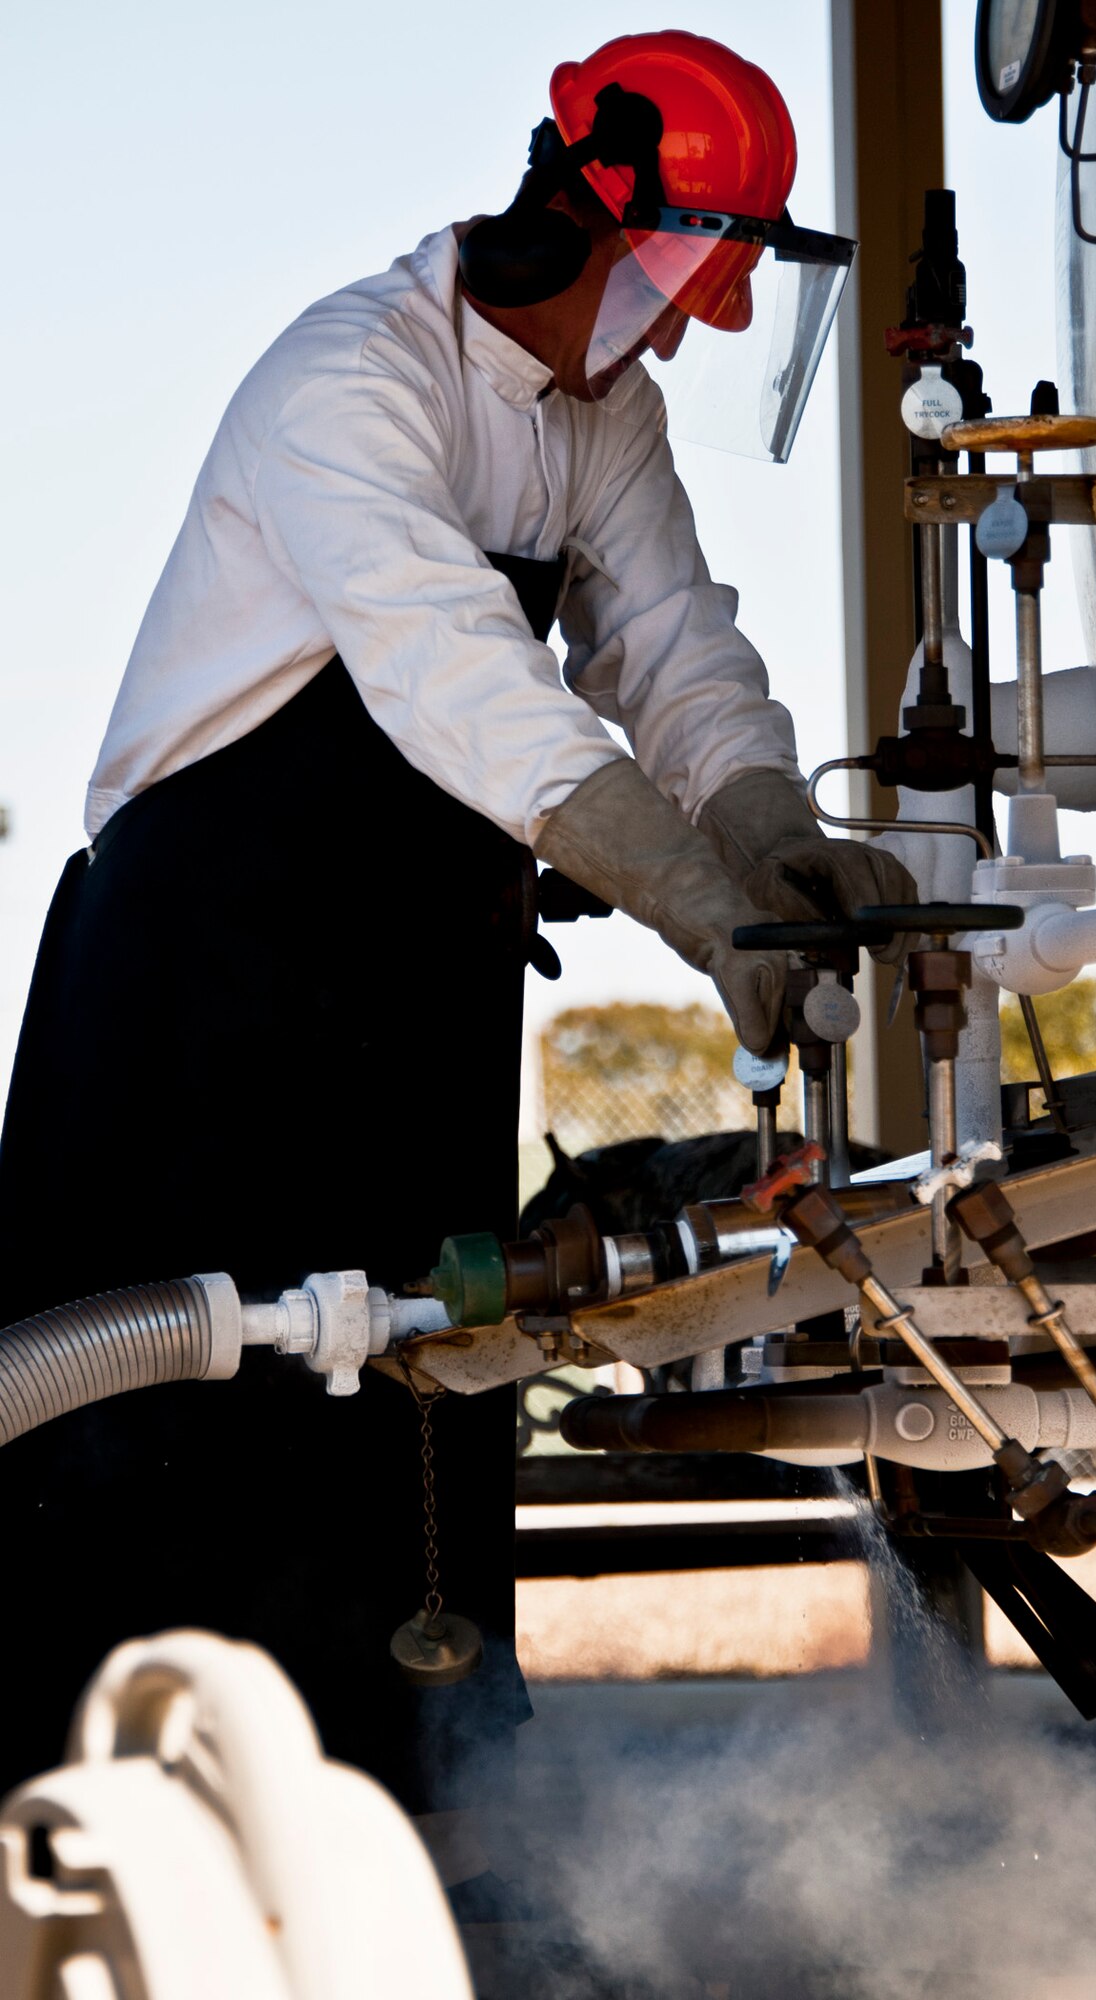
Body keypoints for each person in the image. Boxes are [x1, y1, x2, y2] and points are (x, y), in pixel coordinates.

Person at [0, 30, 911, 1819]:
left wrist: (770, 832)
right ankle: (93, 1851)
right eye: (676, 281)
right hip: (195, 994)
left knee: (427, 1385)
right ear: (585, 221)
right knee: (162, 1435)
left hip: (407, 993)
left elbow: (673, 644)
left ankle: (416, 1844)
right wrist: (694, 910)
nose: (681, 329)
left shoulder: (607, 419)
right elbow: (458, 678)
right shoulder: (349, 378)